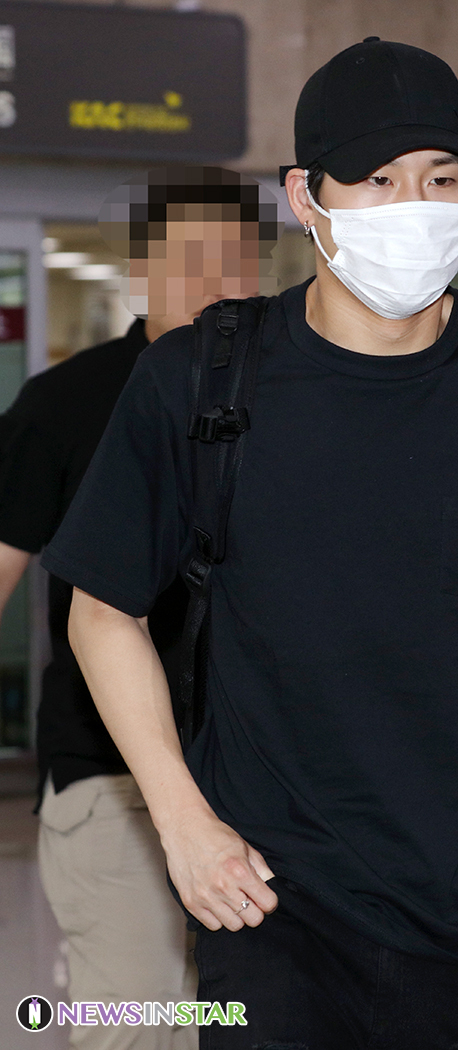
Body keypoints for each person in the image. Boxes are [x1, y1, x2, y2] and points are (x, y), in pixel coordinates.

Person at [43, 39, 458, 1050]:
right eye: (379, 180)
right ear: (307, 197)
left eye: (441, 178)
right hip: (270, 907)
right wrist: (182, 821)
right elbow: (101, 610)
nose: (415, 205)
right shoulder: (203, 379)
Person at [0, 166, 278, 1050]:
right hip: (113, 781)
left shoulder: (293, 397)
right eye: (190, 258)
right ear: (142, 270)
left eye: (236, 259)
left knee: (248, 1022)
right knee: (140, 1021)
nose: (216, 281)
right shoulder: (67, 403)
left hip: (269, 778)